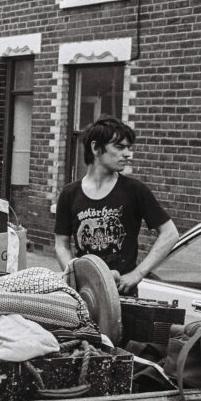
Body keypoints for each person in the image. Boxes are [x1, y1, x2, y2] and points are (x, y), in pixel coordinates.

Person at [54, 116, 178, 295]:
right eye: (119, 147)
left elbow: (170, 233)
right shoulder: (69, 193)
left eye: (129, 147)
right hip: (85, 293)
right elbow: (61, 244)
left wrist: (137, 273)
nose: (127, 154)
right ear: (96, 148)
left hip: (123, 295)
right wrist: (73, 276)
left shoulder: (135, 190)